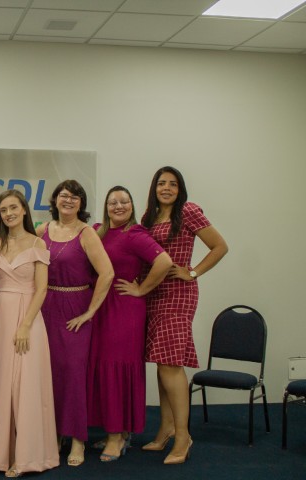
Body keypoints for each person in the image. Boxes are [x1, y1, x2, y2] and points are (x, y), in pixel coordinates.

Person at [141, 166, 228, 465]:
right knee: (162, 362)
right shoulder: (149, 217)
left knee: (170, 363)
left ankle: (183, 436)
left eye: (173, 184)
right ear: (154, 188)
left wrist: (193, 272)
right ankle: (165, 429)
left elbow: (220, 246)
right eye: (161, 183)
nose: (166, 188)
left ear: (180, 189)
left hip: (178, 294)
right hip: (154, 293)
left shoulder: (188, 211)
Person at [87, 186, 172, 462]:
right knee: (103, 368)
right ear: (106, 207)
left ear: (132, 206)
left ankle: (116, 437)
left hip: (123, 310)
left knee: (116, 368)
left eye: (124, 201)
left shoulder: (134, 234)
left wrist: (142, 289)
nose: (119, 206)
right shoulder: (97, 231)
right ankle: (118, 430)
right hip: (100, 307)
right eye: (113, 202)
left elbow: (164, 261)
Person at [35, 179, 113, 467]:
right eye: (64, 195)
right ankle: (55, 433)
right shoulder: (42, 230)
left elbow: (107, 273)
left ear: (81, 204)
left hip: (74, 309)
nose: (68, 200)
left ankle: (78, 439)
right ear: (55, 200)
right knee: (49, 373)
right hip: (45, 307)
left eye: (75, 197)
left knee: (74, 374)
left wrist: (90, 312)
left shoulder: (86, 233)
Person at [0, 189, 59, 478]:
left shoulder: (37, 243)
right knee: (2, 384)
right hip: (0, 317)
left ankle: (27, 456)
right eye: (4, 210)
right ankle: (4, 452)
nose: (9, 213)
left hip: (27, 320)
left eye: (13, 208)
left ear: (24, 210)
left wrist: (25, 325)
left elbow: (42, 289)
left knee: (25, 386)